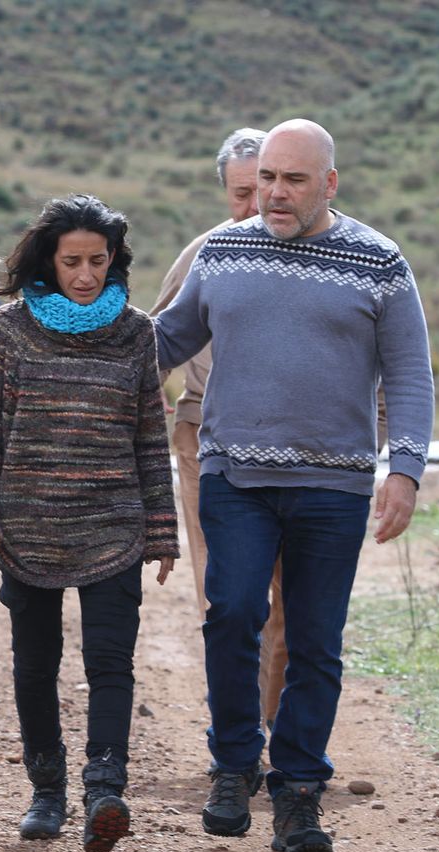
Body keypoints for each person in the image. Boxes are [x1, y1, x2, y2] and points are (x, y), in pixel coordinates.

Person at [154, 120, 433, 852]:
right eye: (267, 178)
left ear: (329, 184)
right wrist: (77, 337)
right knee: (232, 614)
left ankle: (299, 793)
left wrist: (405, 470)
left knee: (314, 639)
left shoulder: (380, 263)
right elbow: (165, 340)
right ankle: (233, 765)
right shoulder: (221, 251)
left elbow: (410, 372)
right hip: (235, 477)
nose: (274, 194)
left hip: (333, 487)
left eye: (293, 180)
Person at [0, 194, 179, 852]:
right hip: (26, 528)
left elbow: (151, 436)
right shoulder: (9, 329)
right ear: (48, 261)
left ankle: (105, 788)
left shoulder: (137, 333)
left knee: (111, 662)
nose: (85, 275)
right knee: (35, 665)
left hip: (114, 524)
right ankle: (47, 791)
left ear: (114, 261)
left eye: (97, 261)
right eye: (72, 262)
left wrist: (162, 529)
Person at [148, 127, 294, 730]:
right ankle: (237, 734)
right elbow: (155, 341)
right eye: (241, 193)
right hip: (205, 440)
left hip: (297, 450)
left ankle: (272, 722)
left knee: (292, 598)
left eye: (264, 187)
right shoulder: (206, 253)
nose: (255, 205)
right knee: (225, 594)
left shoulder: (322, 254)